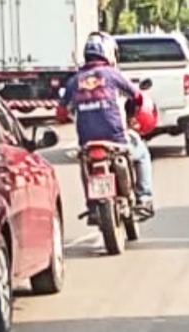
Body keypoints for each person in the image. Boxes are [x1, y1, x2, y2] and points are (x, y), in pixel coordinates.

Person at [61, 33, 155, 215]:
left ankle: (91, 204)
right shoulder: (113, 75)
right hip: (116, 138)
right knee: (142, 154)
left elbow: (60, 112)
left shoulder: (74, 81)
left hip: (87, 141)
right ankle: (144, 197)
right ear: (108, 53)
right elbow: (138, 96)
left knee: (85, 163)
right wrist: (136, 113)